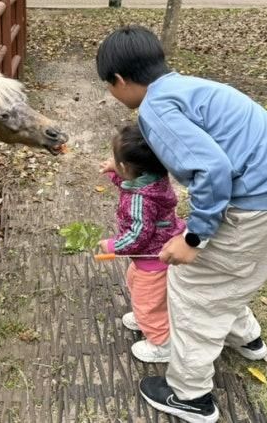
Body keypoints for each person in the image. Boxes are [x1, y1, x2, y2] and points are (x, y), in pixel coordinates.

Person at [96, 26, 267, 423]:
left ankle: (191, 396)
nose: (112, 94)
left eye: (109, 87)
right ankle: (248, 341)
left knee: (194, 288)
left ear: (121, 80)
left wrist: (194, 237)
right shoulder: (185, 86)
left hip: (261, 202)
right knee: (225, 277)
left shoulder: (156, 109)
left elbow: (212, 171)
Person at [98, 124, 186, 363]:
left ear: (127, 167)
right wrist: (115, 172)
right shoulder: (154, 179)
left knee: (149, 301)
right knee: (136, 284)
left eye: (116, 161)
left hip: (153, 257)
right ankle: (146, 315)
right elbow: (131, 182)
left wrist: (114, 245)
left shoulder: (140, 200)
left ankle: (162, 344)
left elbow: (139, 235)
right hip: (155, 252)